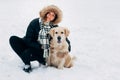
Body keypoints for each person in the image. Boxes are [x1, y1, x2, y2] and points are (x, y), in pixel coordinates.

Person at [9, 5, 71, 73]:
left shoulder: (55, 27)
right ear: (45, 13)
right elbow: (28, 39)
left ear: (55, 18)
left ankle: (30, 59)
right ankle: (26, 62)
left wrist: (67, 49)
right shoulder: (35, 23)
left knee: (27, 53)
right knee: (13, 39)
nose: (50, 16)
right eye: (49, 13)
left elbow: (64, 39)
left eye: (53, 15)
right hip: (31, 43)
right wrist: (39, 46)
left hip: (40, 51)